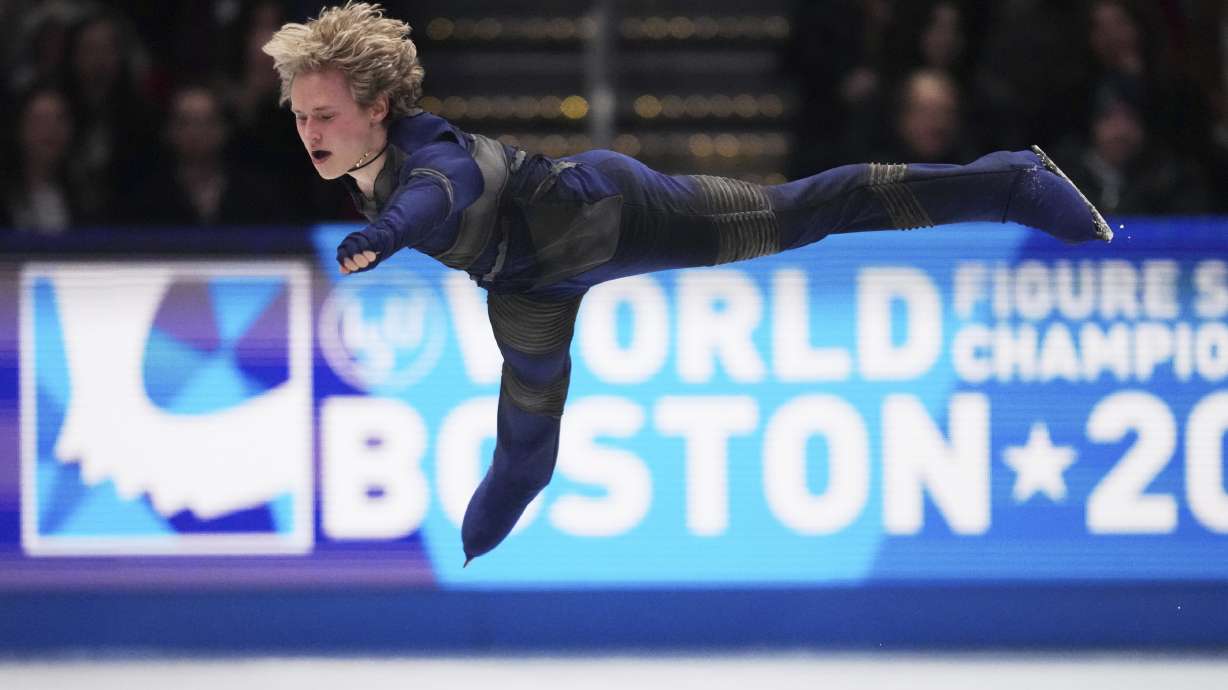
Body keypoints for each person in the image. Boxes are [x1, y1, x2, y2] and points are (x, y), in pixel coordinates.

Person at [264, 2, 1112, 565]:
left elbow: (444, 192)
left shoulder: (429, 156)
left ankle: (1006, 182)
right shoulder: (360, 148)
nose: (308, 133)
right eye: (300, 116)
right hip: (524, 287)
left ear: (378, 106)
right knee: (522, 451)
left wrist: (381, 238)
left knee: (805, 211)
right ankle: (492, 520)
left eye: (324, 115)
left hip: (609, 216)